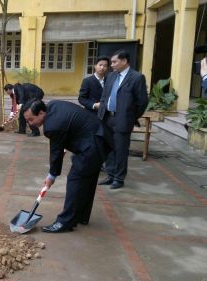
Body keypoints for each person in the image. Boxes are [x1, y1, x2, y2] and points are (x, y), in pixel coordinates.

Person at [23, 99, 112, 233]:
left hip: (92, 145)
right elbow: (67, 129)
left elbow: (56, 152)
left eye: (31, 119)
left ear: (41, 113)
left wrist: (52, 175)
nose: (30, 124)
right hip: (99, 137)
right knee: (87, 180)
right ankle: (81, 216)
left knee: (75, 180)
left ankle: (65, 222)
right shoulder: (53, 105)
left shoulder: (52, 125)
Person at [97, 49, 148, 189]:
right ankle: (110, 175)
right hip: (107, 118)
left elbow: (142, 101)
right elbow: (105, 96)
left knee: (120, 150)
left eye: (114, 62)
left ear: (124, 61)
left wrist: (130, 116)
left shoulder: (137, 77)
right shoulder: (111, 76)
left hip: (123, 120)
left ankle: (119, 179)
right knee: (108, 148)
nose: (111, 65)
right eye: (111, 62)